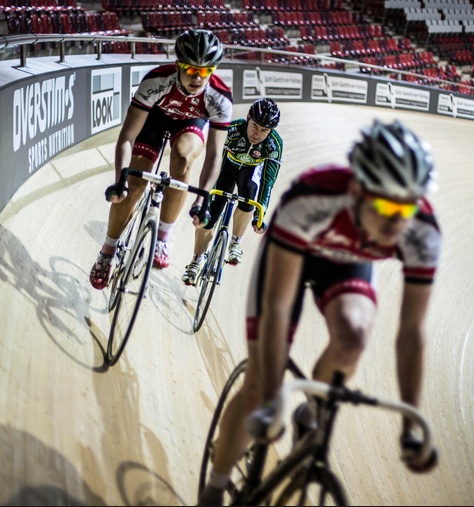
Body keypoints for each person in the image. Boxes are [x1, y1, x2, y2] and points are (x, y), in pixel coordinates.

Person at [197, 119, 441, 506]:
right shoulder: (312, 197)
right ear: (358, 189)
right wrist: (272, 394)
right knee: (260, 388)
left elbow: (412, 331)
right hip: (295, 256)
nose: (398, 220)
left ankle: (310, 410)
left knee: (355, 334)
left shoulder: (422, 229)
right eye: (387, 205)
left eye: (408, 207)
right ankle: (215, 486)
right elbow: (277, 306)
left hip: (347, 265)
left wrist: (411, 425)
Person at [89, 29, 233, 290]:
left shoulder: (220, 97)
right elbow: (127, 137)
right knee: (133, 186)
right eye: (190, 69)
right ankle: (107, 251)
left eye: (205, 71)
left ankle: (162, 238)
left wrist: (202, 199)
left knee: (182, 158)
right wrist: (120, 179)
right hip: (154, 120)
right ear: (178, 65)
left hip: (190, 124)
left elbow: (213, 156)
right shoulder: (157, 80)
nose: (197, 78)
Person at [182, 98, 283, 286]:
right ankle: (196, 260)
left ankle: (236, 241)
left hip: (250, 172)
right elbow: (213, 161)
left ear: (271, 131)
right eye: (254, 126)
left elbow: (268, 182)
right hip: (227, 169)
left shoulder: (274, 145)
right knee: (209, 218)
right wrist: (205, 197)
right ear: (247, 118)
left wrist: (260, 216)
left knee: (249, 193)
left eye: (264, 130)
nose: (257, 134)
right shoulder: (233, 129)